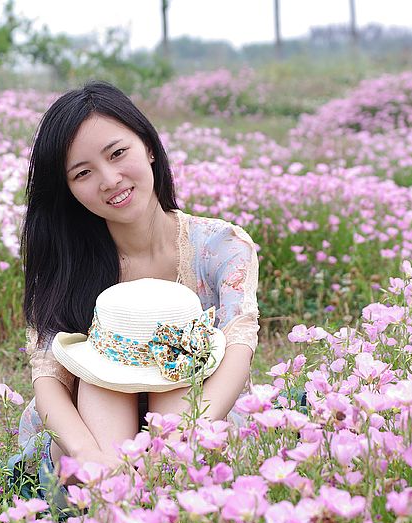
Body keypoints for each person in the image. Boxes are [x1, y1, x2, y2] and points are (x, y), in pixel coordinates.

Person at [15, 81, 260, 498]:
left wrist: (184, 442)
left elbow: (239, 343)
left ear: (148, 146)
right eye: (83, 173)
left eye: (117, 153)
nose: (110, 180)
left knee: (184, 366)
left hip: (199, 406)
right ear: (69, 190)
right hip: (93, 416)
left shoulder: (222, 245)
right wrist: (89, 454)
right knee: (98, 376)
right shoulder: (67, 262)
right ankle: (109, 508)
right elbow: (49, 377)